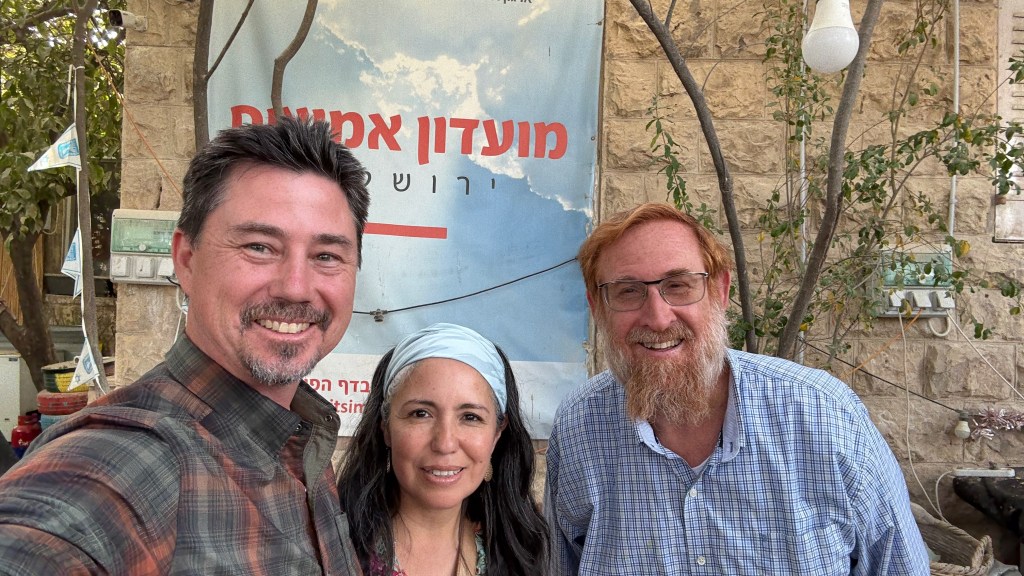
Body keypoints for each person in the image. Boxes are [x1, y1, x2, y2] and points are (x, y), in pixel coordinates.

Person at [0, 118, 369, 575]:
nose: (296, 288)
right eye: (259, 247)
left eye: (327, 256)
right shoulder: (130, 460)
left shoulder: (305, 445)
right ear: (187, 260)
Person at [545, 202, 930, 575]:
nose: (658, 318)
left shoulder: (826, 417)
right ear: (597, 307)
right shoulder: (580, 426)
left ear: (720, 290)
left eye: (678, 286)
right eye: (628, 291)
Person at [338, 323, 548, 576]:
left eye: (470, 417)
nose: (445, 444)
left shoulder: (520, 554)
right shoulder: (332, 550)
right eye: (420, 413)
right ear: (385, 426)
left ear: (496, 434)